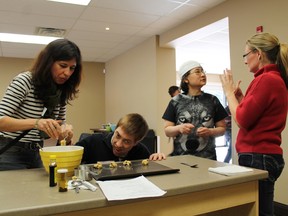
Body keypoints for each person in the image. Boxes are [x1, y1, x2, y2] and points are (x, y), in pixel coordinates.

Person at [220, 32, 288, 216]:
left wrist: (228, 94)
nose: (244, 61)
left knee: (260, 212)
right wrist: (241, 99)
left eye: (245, 55)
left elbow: (242, 120)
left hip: (259, 156)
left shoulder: (265, 80)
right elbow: (253, 116)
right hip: (265, 156)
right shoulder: (274, 79)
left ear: (258, 53)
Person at [0, 39, 82, 170]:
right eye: (63, 65)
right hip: (10, 152)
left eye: (72, 68)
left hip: (38, 152)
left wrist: (65, 134)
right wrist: (36, 123)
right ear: (48, 62)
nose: (67, 73)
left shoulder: (60, 91)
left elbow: (59, 127)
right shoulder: (24, 81)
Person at [162, 60, 227, 160]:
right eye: (197, 72)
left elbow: (222, 129)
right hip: (181, 159)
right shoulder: (175, 101)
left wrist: (210, 131)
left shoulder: (213, 100)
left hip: (208, 159)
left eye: (203, 71)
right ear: (186, 79)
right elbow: (167, 130)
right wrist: (179, 128)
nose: (202, 75)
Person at [75, 113, 166, 163]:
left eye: (126, 141)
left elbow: (149, 173)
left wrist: (156, 159)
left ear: (136, 142)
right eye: (117, 135)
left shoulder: (141, 152)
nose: (118, 144)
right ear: (115, 129)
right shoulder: (92, 142)